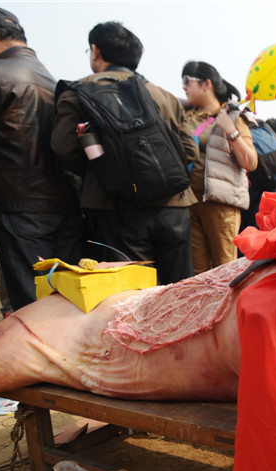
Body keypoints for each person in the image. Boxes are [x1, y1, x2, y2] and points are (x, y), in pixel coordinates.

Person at [51, 21, 199, 285]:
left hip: (114, 207)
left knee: (129, 297)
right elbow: (189, 151)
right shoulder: (164, 96)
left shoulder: (78, 93)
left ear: (95, 51)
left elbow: (64, 147)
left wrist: (107, 174)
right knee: (178, 291)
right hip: (173, 206)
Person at [0, 5, 82, 310]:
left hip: (19, 206)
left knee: (33, 307)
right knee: (66, 303)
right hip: (66, 204)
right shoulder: (51, 78)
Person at [182, 61, 258, 275]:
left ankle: (227, 310)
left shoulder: (233, 117)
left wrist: (231, 132)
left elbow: (250, 161)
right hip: (189, 203)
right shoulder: (184, 117)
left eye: (187, 80)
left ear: (207, 84)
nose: (184, 86)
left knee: (224, 272)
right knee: (198, 275)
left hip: (221, 204)